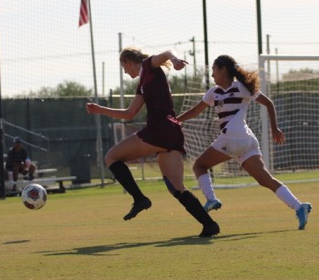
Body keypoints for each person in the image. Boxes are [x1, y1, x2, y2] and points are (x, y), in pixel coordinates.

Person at [86, 47, 219, 237]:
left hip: (158, 130)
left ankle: (139, 199)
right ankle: (209, 225)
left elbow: (166, 53)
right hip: (172, 132)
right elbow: (130, 114)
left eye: (124, 67)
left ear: (128, 62)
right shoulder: (142, 83)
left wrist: (175, 60)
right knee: (177, 188)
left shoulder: (148, 66)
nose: (124, 72)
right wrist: (100, 110)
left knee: (111, 157)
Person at [177, 55, 313, 230]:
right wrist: (176, 121)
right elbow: (195, 110)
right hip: (247, 141)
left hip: (233, 137)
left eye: (213, 70)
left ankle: (211, 199)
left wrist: (274, 128)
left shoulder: (242, 87)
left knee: (199, 166)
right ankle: (300, 206)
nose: (212, 75)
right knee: (266, 180)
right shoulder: (214, 92)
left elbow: (268, 103)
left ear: (223, 70)